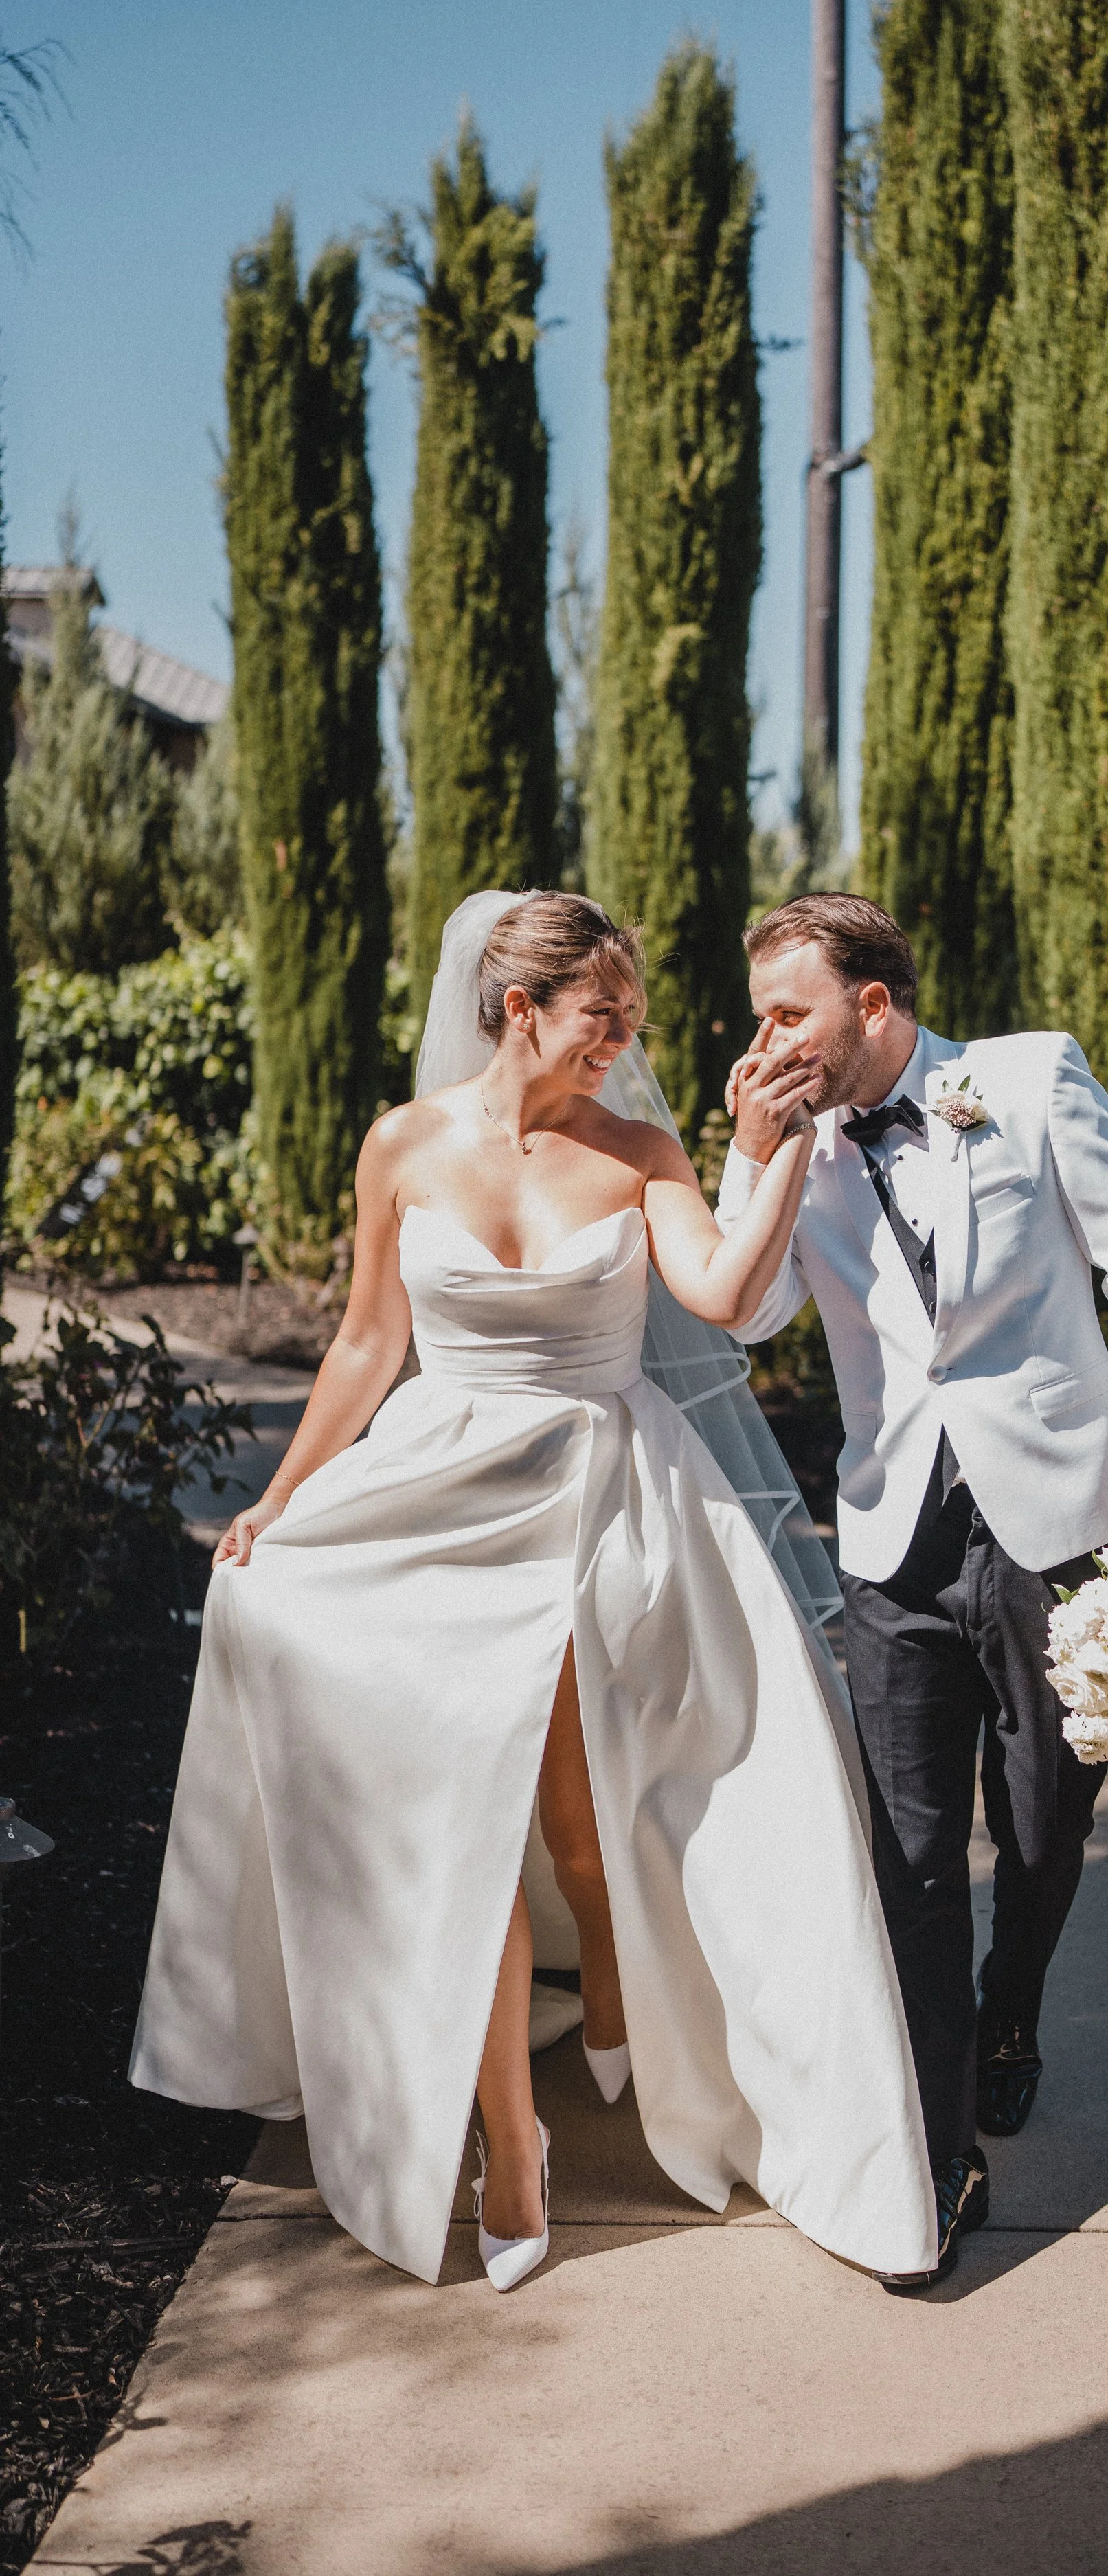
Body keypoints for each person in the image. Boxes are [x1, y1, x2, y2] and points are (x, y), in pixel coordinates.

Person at [131, 890, 938, 2293]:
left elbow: (721, 1295)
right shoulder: (403, 1144)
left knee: (577, 1811)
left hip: (604, 1498)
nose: (625, 1044)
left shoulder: (641, 1150)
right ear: (519, 1010)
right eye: (602, 1018)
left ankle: (621, 1989)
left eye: (629, 1019)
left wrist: (773, 1153)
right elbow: (368, 1346)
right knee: (462, 1803)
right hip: (437, 1502)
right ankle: (511, 2135)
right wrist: (277, 1500)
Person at [718, 894, 1108, 2289]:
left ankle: (1009, 2016)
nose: (765, 1039)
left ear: (874, 1005)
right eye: (757, 1015)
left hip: (1055, 1526)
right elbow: (748, 1312)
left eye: (789, 1013)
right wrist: (748, 1154)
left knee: (1038, 1826)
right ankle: (933, 2154)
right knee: (907, 1854)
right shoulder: (798, 1146)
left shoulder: (1024, 1078)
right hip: (887, 1538)